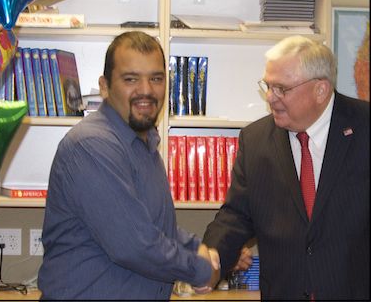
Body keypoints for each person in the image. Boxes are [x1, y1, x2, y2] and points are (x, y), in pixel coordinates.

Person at [38, 31, 219, 300]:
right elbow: (135, 246)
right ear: (104, 86)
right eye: (131, 79)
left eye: (156, 79)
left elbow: (153, 226)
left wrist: (198, 247)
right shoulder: (92, 145)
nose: (146, 90)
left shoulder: (144, 145)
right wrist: (202, 269)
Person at [202, 35, 370, 300]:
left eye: (282, 88)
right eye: (267, 86)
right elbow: (235, 216)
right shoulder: (255, 140)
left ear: (320, 90)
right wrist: (212, 255)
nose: (270, 97)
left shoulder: (364, 128)